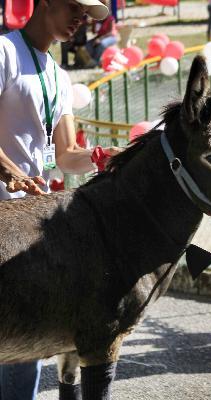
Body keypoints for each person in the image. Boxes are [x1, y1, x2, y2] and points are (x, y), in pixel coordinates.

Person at [0, 1, 118, 398]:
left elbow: (66, 154)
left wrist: (104, 156)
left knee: (24, 337)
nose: (81, 19)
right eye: (75, 7)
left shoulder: (59, 75)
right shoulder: (4, 52)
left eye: (87, 15)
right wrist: (12, 172)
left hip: (29, 223)